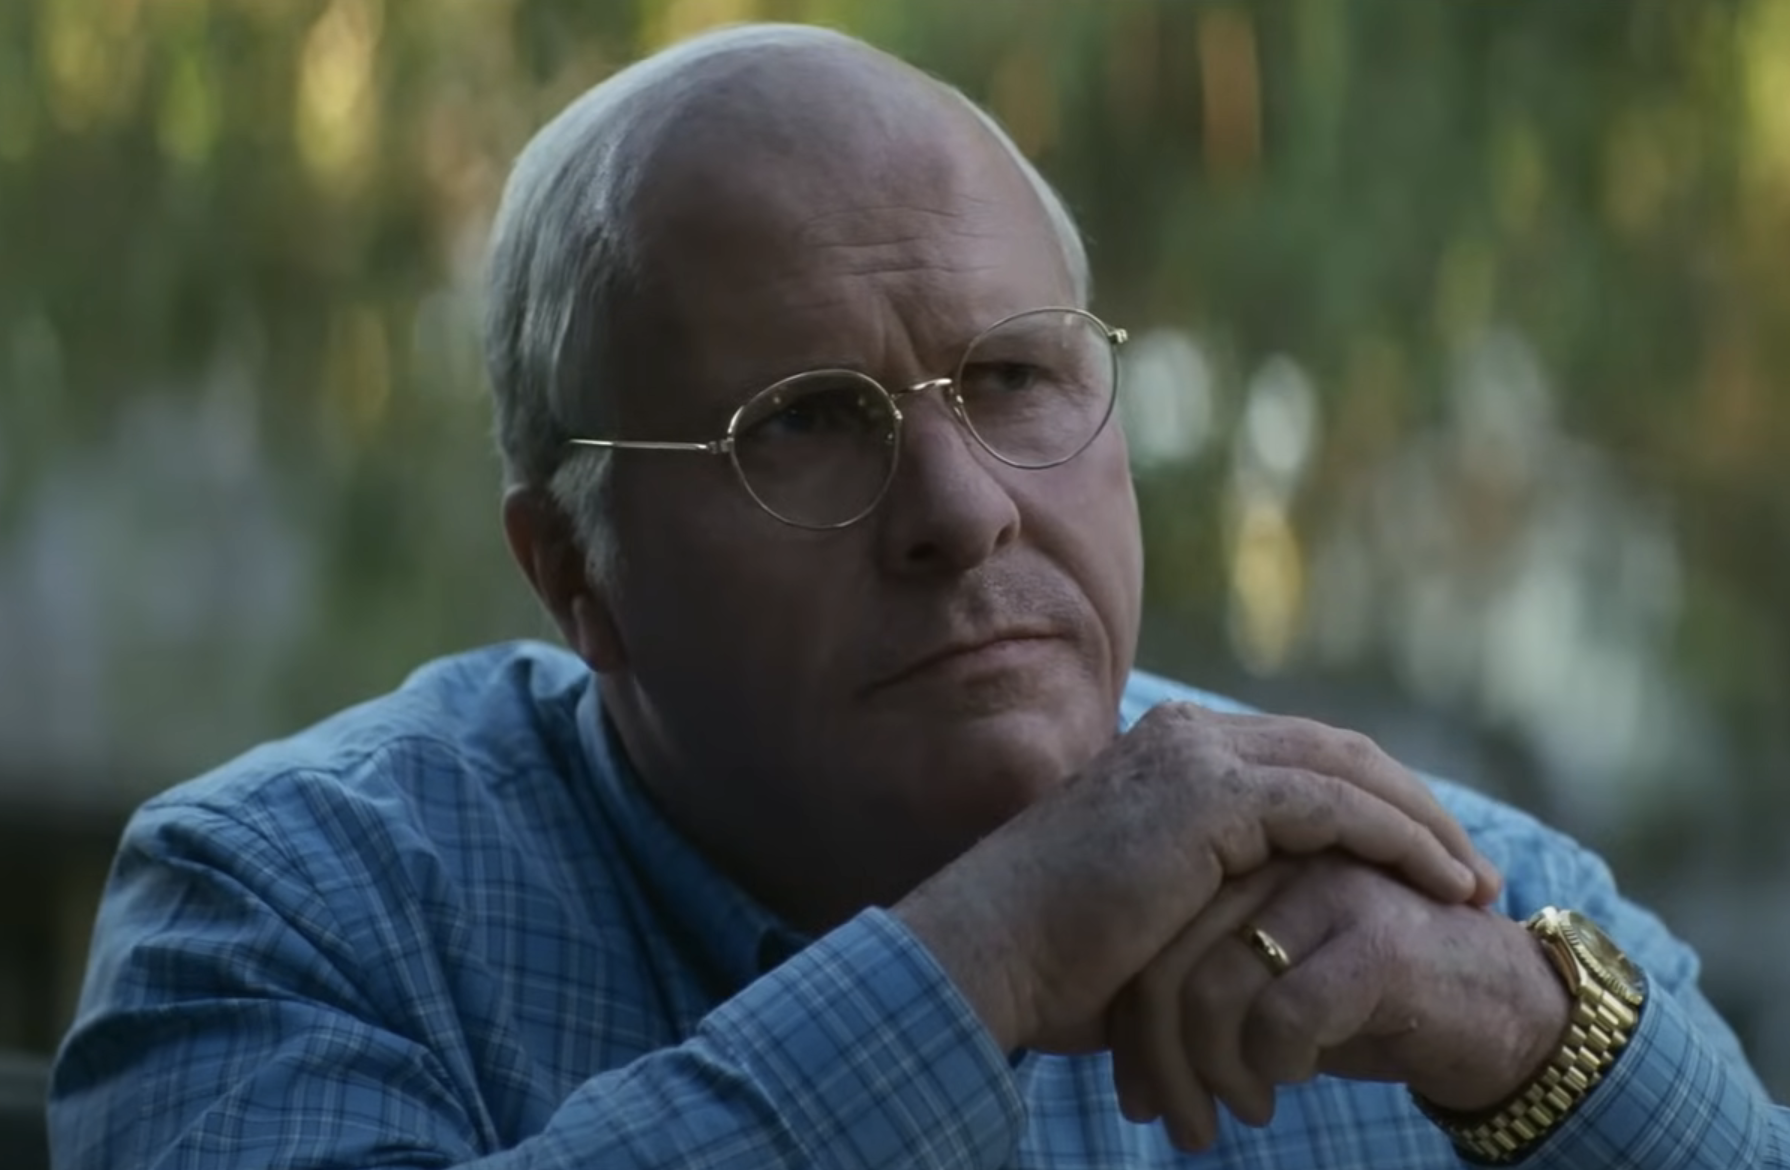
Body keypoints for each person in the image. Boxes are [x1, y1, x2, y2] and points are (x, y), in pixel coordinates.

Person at [47, 22, 1784, 1170]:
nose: (959, 512)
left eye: (1017, 380)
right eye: (804, 421)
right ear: (578, 573)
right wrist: (989, 951)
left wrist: (1513, 1025)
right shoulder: (289, 914)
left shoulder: (1414, 886)